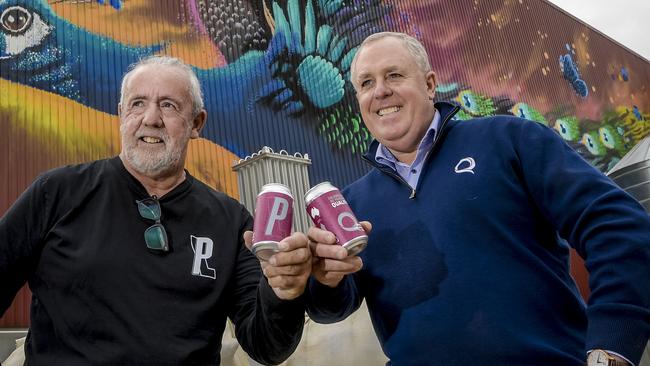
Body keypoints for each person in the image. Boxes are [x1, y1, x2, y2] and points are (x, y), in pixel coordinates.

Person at [305, 32, 650, 366]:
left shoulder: (510, 140)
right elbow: (332, 308)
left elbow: (619, 226)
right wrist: (325, 280)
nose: (380, 91)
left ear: (429, 84)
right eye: (366, 83)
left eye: (393, 75)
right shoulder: (348, 205)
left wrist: (612, 346)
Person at [0, 56, 312, 365]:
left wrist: (283, 291)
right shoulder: (55, 193)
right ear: (122, 115)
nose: (151, 118)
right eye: (137, 103)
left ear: (196, 123)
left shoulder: (231, 222)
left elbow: (268, 347)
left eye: (168, 105)